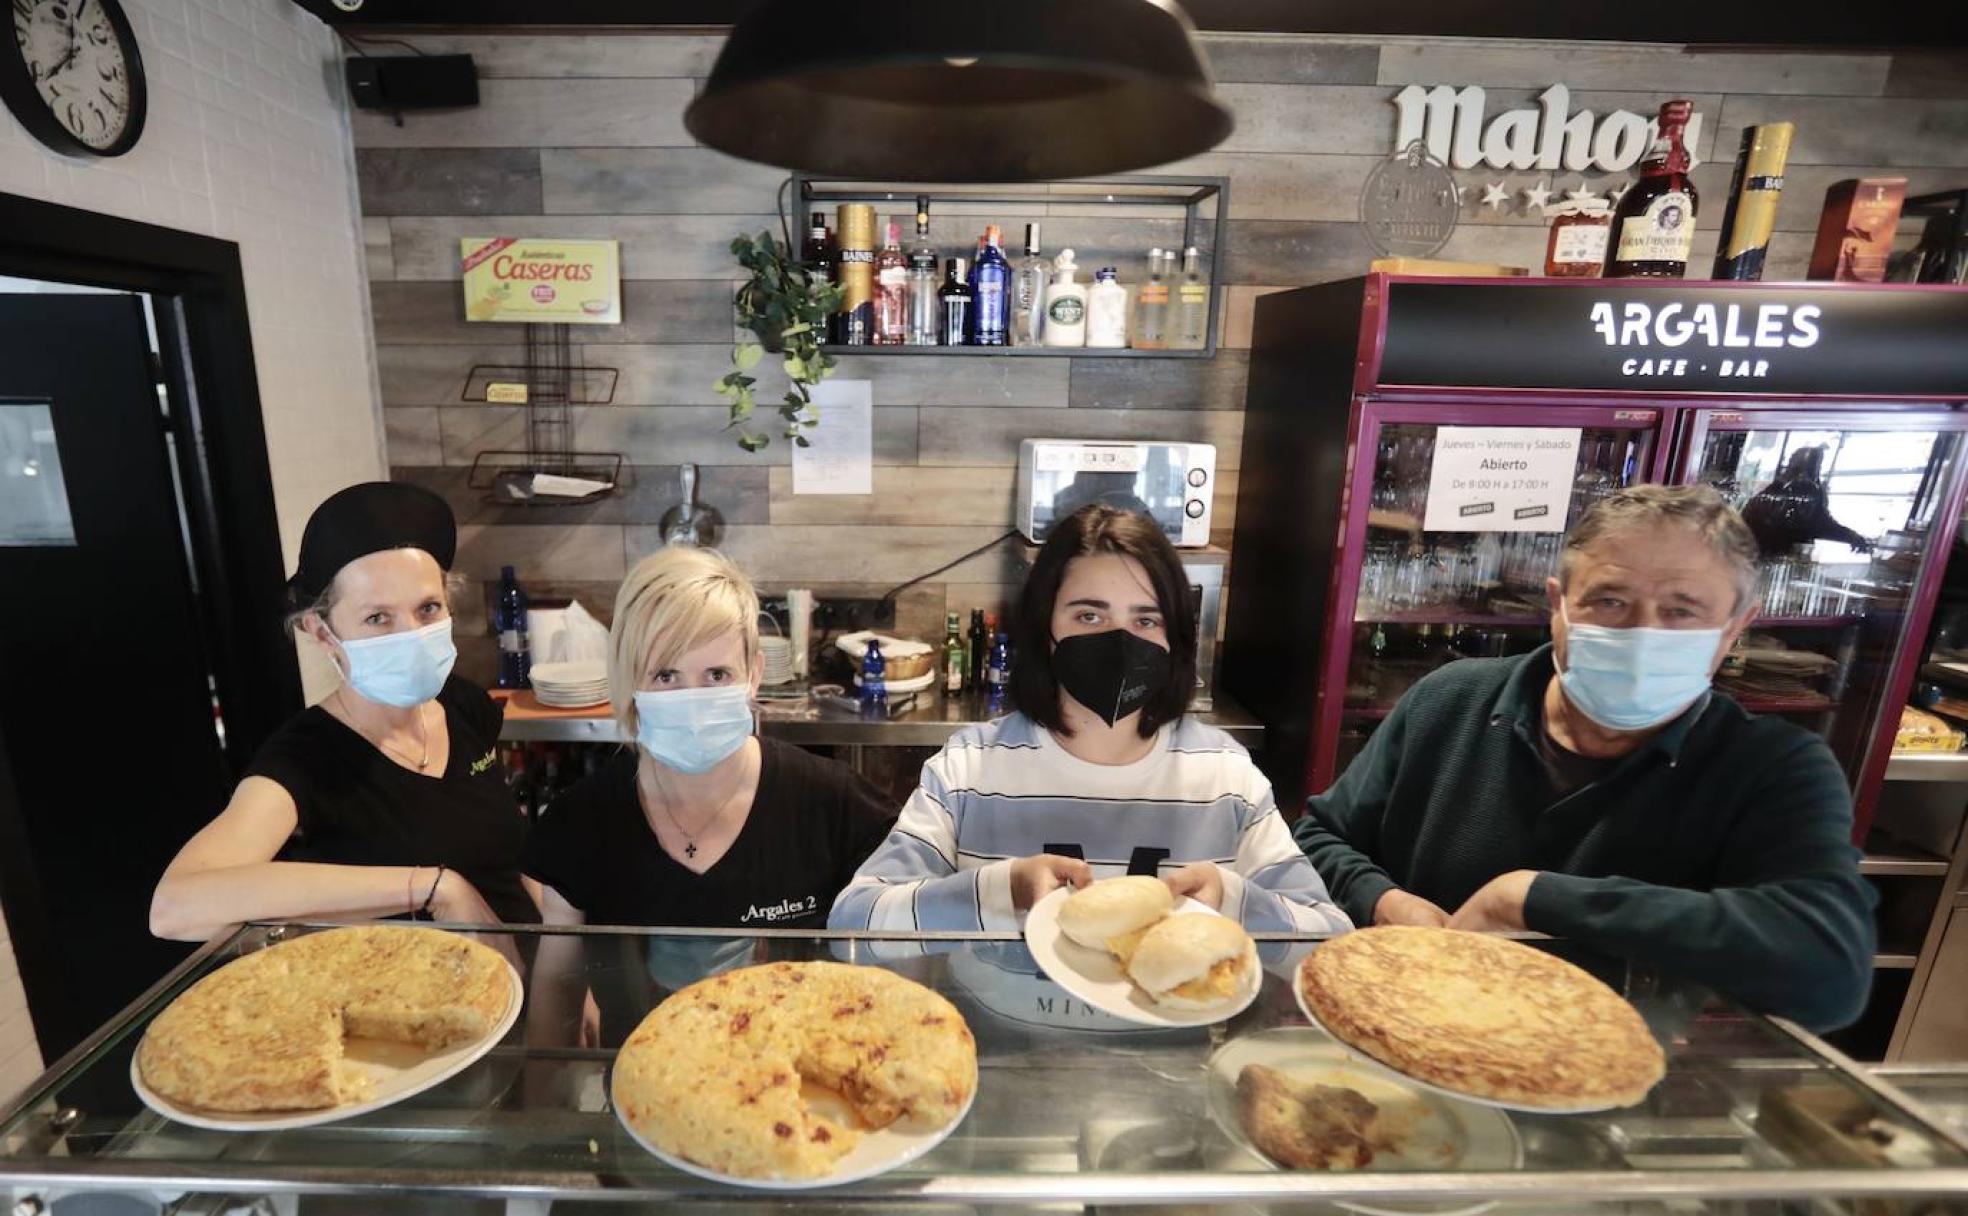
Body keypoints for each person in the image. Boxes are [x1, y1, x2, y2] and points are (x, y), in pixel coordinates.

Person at [1294, 484, 1877, 1031]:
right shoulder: (1449, 700)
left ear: (1734, 628)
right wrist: (1385, 901)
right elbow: (1318, 838)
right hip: (1410, 1033)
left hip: (1609, 1084)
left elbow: (1828, 970)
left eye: (1681, 611)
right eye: (1610, 601)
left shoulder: (1776, 768)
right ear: (1558, 604)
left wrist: (1532, 899)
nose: (1643, 632)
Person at [831, 504, 1350, 934]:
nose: (1119, 639)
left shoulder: (1225, 778)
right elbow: (855, 921)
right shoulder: (968, 768)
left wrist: (1232, 903)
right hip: (1000, 1049)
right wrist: (999, 889)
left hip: (1178, 1050)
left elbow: (1328, 934)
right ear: (1043, 628)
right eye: (1089, 615)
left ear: (1175, 640)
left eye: (1145, 619)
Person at [523, 545, 897, 1043]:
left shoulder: (834, 805)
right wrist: (547, 1111)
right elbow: (556, 990)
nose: (692, 699)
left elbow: (893, 966)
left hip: (792, 1099)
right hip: (640, 1098)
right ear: (631, 679)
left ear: (754, 675)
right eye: (665, 675)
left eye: (716, 675)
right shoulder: (583, 822)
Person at [150, 482, 538, 943]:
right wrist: (434, 887)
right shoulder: (306, 759)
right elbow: (175, 907)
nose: (411, 634)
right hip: (419, 1004)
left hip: (527, 985)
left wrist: (567, 971)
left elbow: (513, 857)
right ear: (321, 632)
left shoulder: (464, 705)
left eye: (427, 609)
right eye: (378, 618)